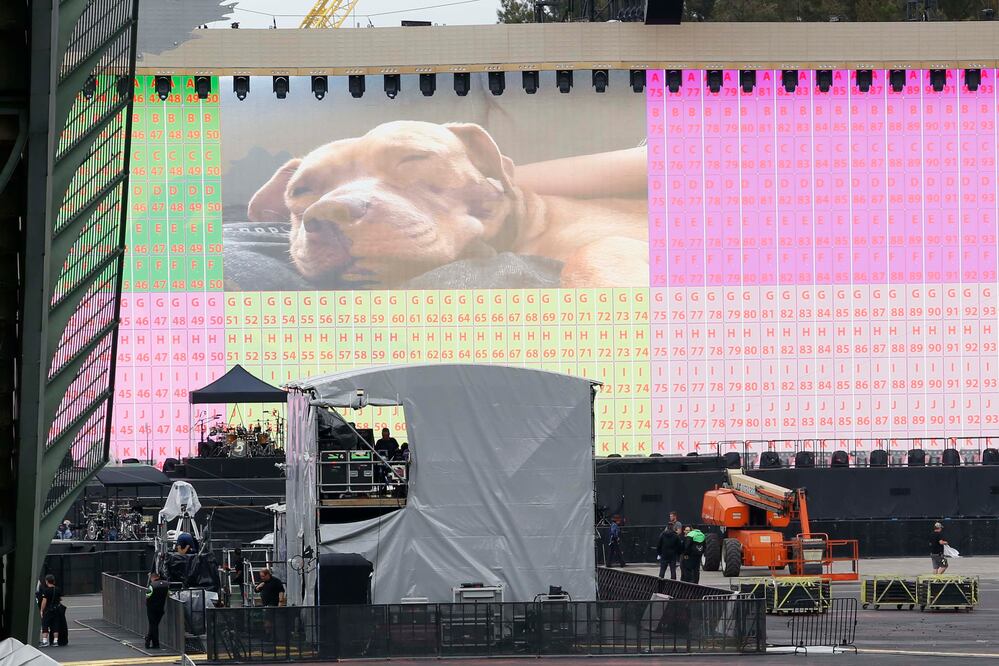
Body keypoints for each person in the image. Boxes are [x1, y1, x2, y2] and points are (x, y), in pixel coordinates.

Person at [38, 574, 66, 647]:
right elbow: (60, 599)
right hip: (56, 609)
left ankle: (45, 641)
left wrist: (41, 610)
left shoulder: (46, 590)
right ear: (53, 581)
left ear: (47, 581)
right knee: (55, 625)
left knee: (45, 625)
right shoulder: (58, 589)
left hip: (48, 610)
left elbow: (44, 601)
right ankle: (55, 641)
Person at [145, 572, 169, 649]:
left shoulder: (152, 586)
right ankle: (150, 640)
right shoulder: (166, 585)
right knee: (155, 625)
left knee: (153, 625)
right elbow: (169, 593)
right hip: (161, 608)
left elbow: (147, 596)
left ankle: (152, 642)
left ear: (152, 578)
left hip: (151, 609)